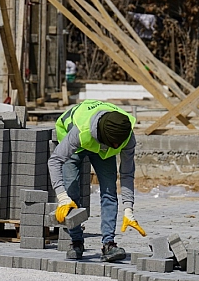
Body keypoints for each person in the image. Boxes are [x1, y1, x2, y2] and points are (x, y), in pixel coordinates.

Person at [48, 100, 146, 262]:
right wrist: (61, 195)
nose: (117, 146)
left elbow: (127, 173)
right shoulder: (80, 131)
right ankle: (76, 242)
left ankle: (109, 244)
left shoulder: (126, 135)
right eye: (114, 145)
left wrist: (128, 208)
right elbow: (55, 161)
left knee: (109, 191)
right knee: (72, 193)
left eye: (118, 145)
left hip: (101, 143)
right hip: (75, 140)